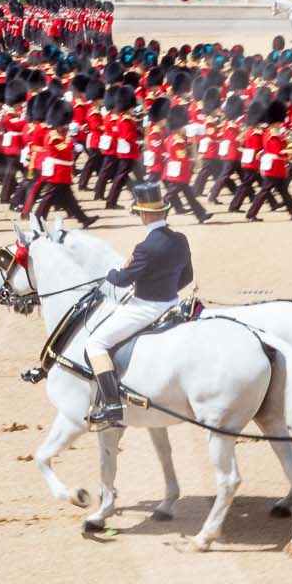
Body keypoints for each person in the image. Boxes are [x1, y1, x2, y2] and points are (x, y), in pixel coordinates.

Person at [84, 180, 192, 427]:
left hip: (146, 307)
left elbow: (122, 281)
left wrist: (111, 272)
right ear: (163, 211)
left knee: (96, 343)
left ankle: (112, 405)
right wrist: (165, 289)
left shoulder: (145, 247)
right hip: (173, 302)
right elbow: (187, 276)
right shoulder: (180, 239)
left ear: (143, 214)